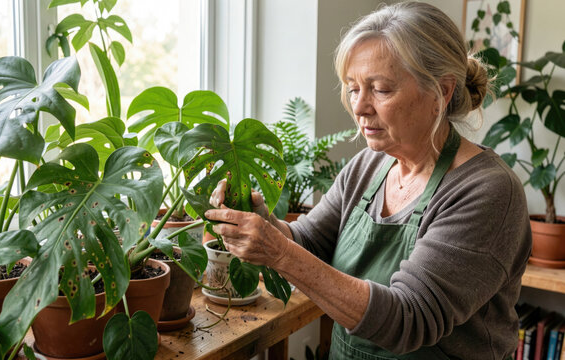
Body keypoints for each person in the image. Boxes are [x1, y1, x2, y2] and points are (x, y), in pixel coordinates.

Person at [205, 2, 532, 359]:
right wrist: (263, 223)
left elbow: (409, 319)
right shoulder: (368, 165)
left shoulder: (488, 191)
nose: (359, 106)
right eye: (352, 87)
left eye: (380, 89)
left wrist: (278, 252)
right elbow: (310, 242)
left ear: (442, 93)